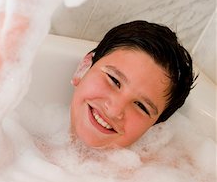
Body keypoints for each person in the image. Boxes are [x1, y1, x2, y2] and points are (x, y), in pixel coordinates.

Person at [70, 20, 196, 149]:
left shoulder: (152, 168)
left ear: (153, 126)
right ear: (83, 68)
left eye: (141, 106)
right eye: (114, 80)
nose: (114, 111)